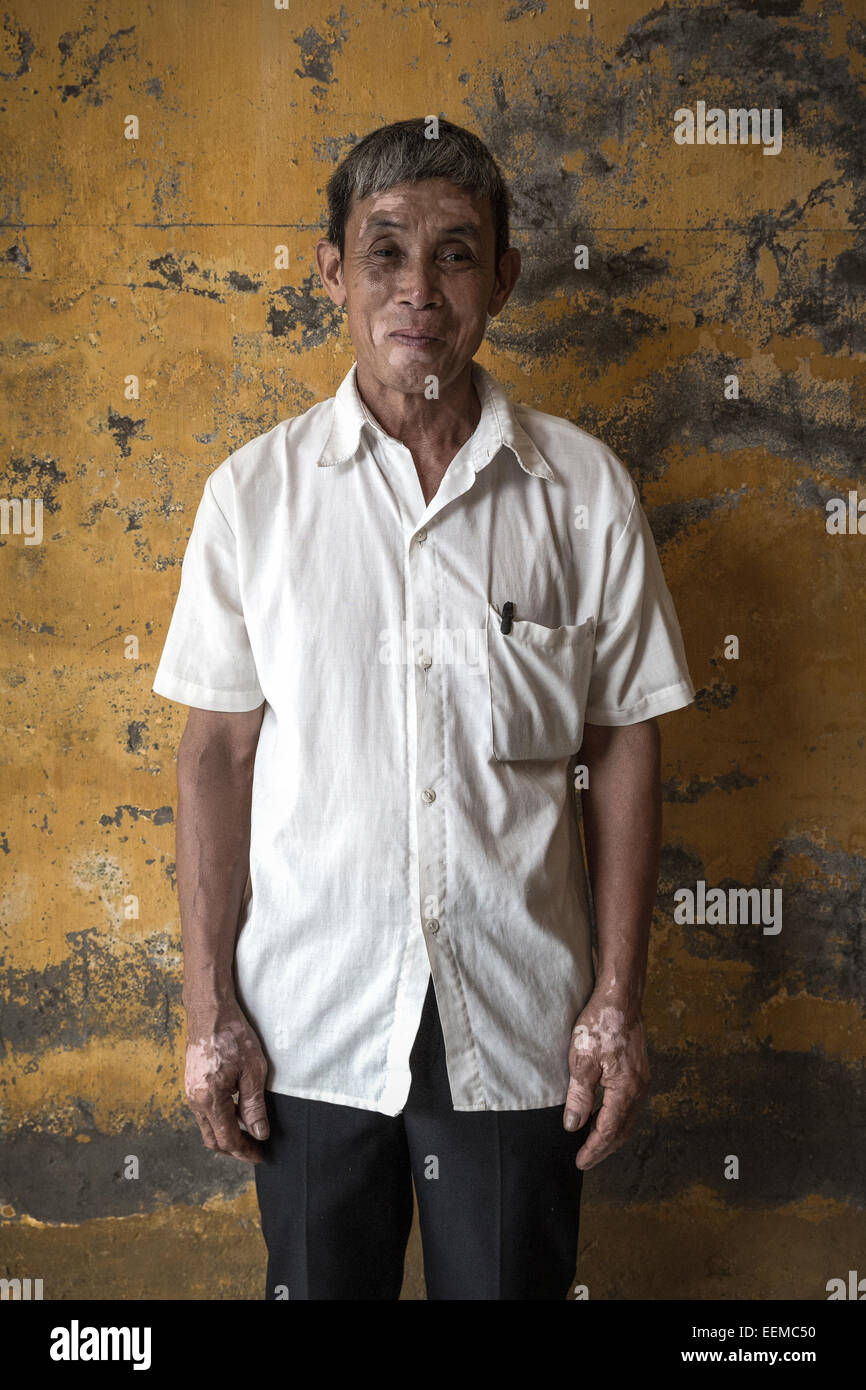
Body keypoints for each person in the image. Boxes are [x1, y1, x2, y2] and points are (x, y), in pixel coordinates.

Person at [152, 117, 696, 1301]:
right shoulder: (252, 497)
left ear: (500, 277)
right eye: (383, 250)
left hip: (512, 1026)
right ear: (331, 270)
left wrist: (614, 1000)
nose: (417, 289)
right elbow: (214, 757)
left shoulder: (581, 491)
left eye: (453, 253)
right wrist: (210, 1012)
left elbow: (622, 739)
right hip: (306, 1022)